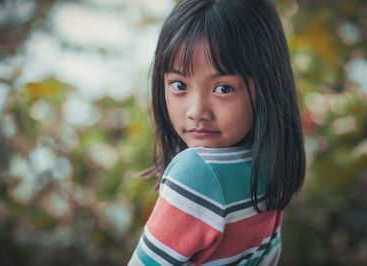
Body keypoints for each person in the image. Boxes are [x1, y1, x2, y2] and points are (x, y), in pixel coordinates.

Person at [128, 0, 306, 265]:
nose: (197, 111)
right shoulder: (271, 167)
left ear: (267, 84)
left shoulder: (197, 173)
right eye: (179, 85)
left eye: (223, 88)